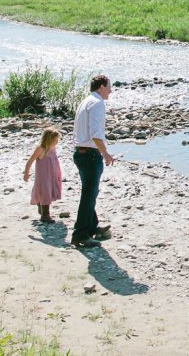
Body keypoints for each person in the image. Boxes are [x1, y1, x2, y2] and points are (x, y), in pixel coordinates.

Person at [71, 74, 115, 248]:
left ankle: (92, 227)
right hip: (89, 154)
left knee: (90, 193)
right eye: (109, 87)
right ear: (101, 87)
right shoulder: (97, 103)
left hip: (80, 152)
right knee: (89, 195)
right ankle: (80, 234)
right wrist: (105, 153)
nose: (111, 90)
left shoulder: (86, 101)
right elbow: (95, 133)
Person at [23, 127, 62, 223]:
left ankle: (41, 206)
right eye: (55, 140)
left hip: (52, 175)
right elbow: (30, 161)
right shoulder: (40, 149)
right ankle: (45, 215)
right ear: (48, 139)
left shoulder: (52, 148)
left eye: (57, 140)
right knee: (45, 192)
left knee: (49, 191)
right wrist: (26, 173)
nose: (56, 142)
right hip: (43, 176)